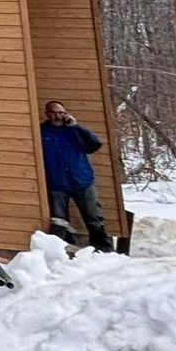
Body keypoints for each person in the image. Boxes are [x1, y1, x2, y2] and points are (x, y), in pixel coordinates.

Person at [39, 101, 113, 251]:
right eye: (54, 112)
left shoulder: (74, 130)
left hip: (82, 180)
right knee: (59, 220)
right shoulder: (42, 131)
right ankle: (63, 249)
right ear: (47, 114)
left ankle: (103, 248)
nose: (57, 116)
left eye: (61, 112)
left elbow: (94, 145)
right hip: (57, 183)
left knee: (93, 215)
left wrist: (76, 126)